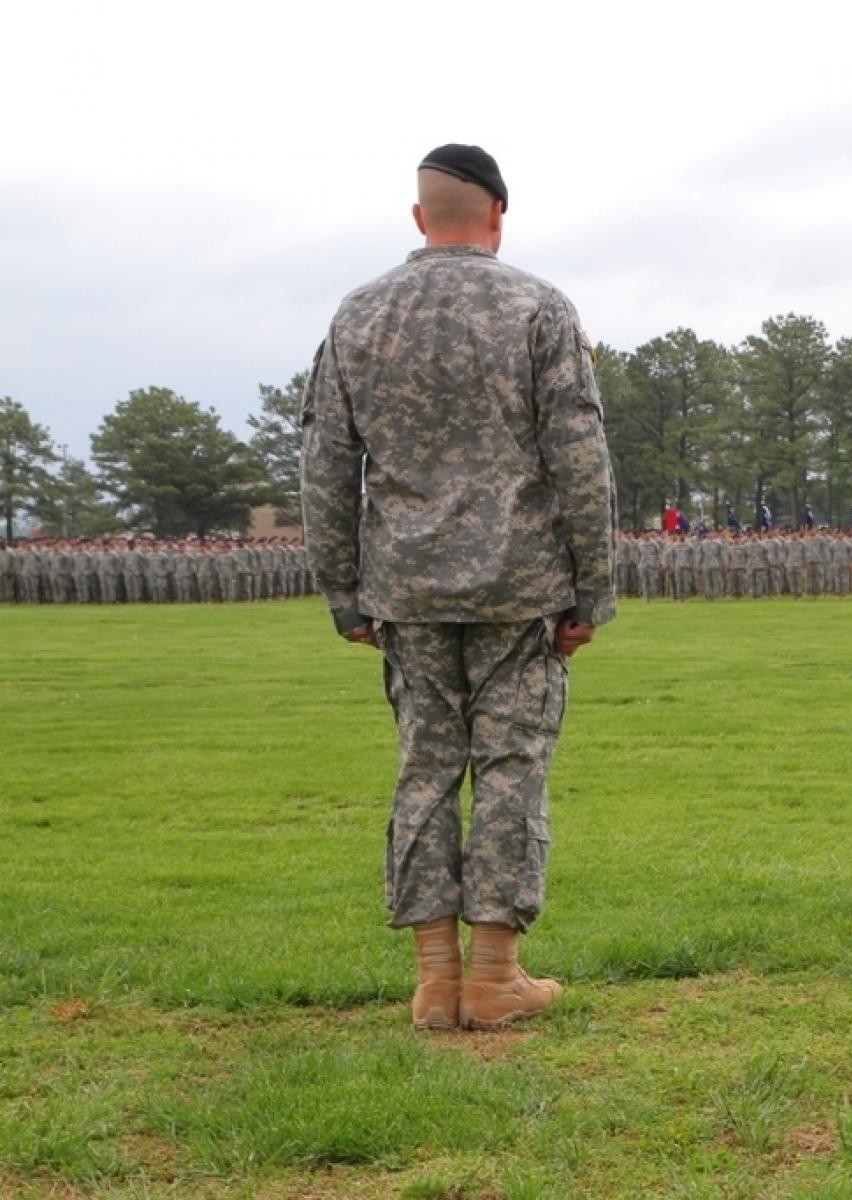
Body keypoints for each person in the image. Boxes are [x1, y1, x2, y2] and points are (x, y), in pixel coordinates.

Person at [301, 144, 614, 1032]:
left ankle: (436, 983)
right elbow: (580, 458)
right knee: (512, 768)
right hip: (522, 587)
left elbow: (325, 464)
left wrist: (344, 592)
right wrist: (593, 589)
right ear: (498, 217)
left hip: (406, 589)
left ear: (419, 219)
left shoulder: (359, 314)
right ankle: (495, 978)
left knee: (426, 770)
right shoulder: (537, 308)